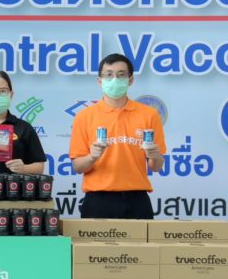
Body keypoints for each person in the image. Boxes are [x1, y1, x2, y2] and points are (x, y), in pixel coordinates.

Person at [69, 54, 166, 219]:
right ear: (99, 81)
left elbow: (156, 166)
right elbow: (78, 167)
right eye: (109, 74)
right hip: (98, 200)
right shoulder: (84, 116)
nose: (114, 79)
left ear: (131, 80)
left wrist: (155, 156)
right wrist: (92, 157)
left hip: (137, 200)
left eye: (121, 75)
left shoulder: (149, 115)